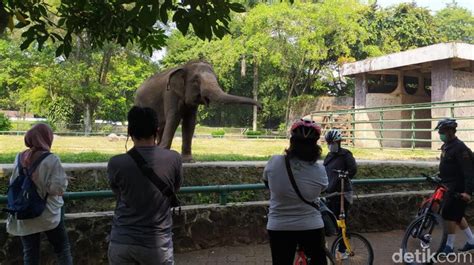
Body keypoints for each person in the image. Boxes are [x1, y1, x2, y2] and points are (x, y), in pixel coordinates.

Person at [107, 106, 183, 265]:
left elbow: (118, 193)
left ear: (130, 132)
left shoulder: (116, 163)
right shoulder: (173, 158)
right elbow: (175, 188)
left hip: (122, 242)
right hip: (157, 245)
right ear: (157, 130)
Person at [262, 118, 328, 265]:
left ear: (292, 142)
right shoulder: (320, 170)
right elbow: (322, 190)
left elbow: (267, 183)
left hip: (279, 226)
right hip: (311, 226)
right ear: (315, 145)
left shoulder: (274, 162)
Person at [6, 123, 72, 265]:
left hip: (25, 212)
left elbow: (13, 181)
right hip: (48, 214)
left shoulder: (19, 157)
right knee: (62, 249)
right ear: (47, 138)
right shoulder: (52, 159)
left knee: (30, 253)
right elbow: (57, 189)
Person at [435, 118, 474, 254]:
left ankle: (449, 247)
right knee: (457, 215)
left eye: (442, 131)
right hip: (448, 185)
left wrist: (468, 192)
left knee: (449, 215)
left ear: (451, 131)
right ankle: (472, 241)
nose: (440, 134)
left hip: (458, 187)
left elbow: (469, 172)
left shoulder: (460, 148)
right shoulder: (448, 145)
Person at [323, 129, 357, 258]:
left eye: (333, 142)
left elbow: (352, 170)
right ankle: (334, 244)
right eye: (329, 142)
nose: (331, 144)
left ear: (338, 142)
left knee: (342, 221)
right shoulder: (329, 156)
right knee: (331, 221)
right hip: (330, 193)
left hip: (342, 194)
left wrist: (344, 175)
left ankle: (343, 249)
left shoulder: (346, 155)